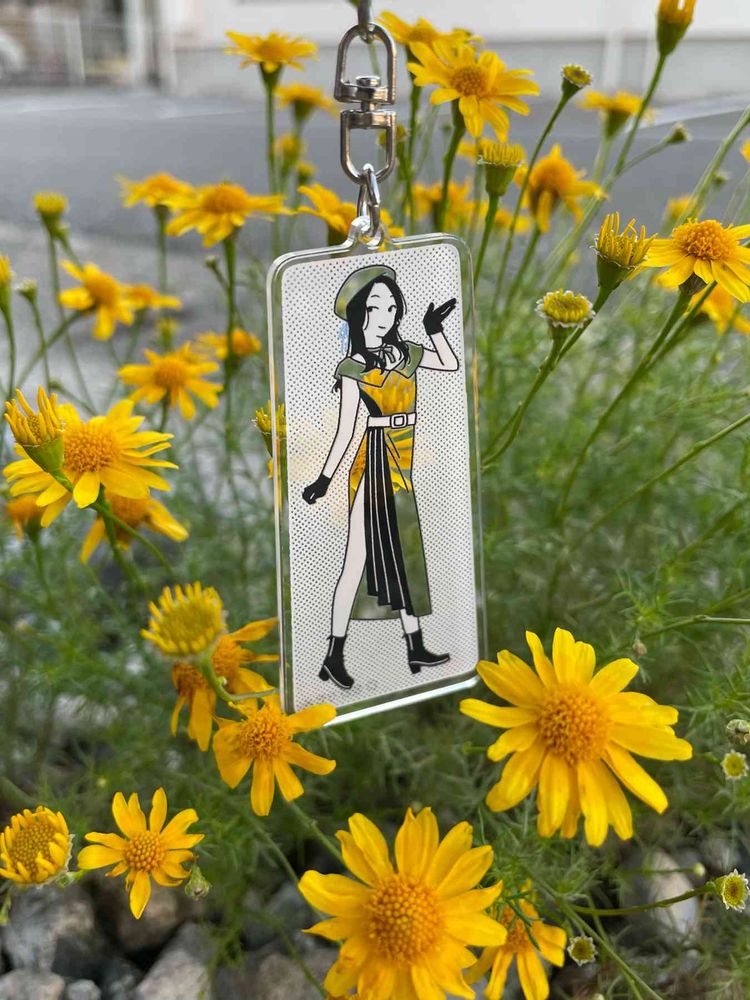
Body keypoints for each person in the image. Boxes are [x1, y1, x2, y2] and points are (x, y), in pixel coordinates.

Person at [302, 263, 459, 690]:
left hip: (402, 459)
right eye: (375, 307)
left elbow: (449, 364)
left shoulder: (405, 353)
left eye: (392, 307)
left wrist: (434, 329)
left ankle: (415, 647)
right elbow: (346, 429)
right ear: (358, 314)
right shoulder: (353, 367)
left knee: (401, 553)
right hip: (372, 461)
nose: (386, 315)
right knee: (356, 560)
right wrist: (324, 480)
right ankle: (334, 654)